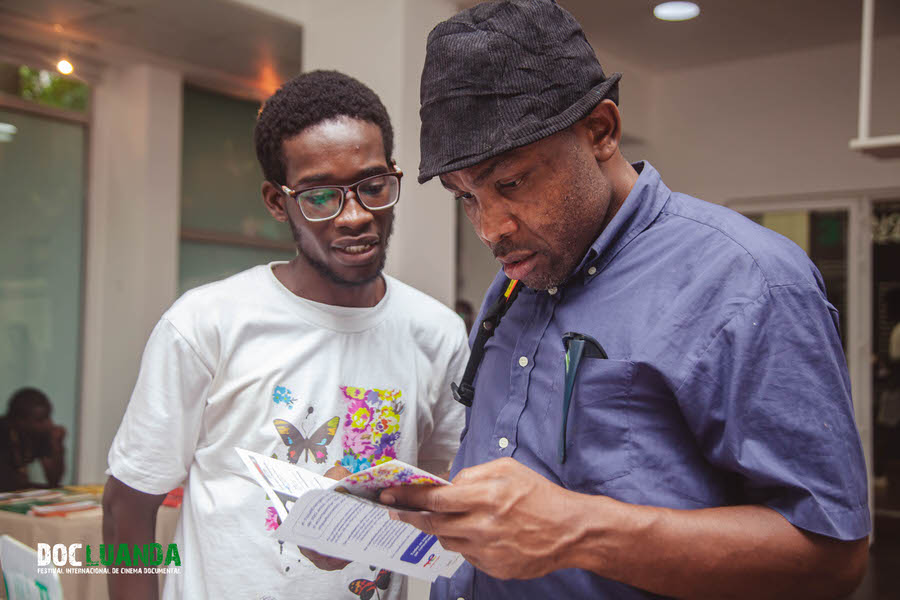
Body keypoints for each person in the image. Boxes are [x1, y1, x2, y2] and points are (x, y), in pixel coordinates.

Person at [383, 1, 871, 599]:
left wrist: (579, 531)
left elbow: (833, 558)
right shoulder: (520, 276)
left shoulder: (748, 282)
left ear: (601, 132)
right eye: (465, 196)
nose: (490, 229)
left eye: (510, 183)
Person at [102, 70, 469, 600]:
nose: (355, 216)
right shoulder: (207, 324)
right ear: (278, 202)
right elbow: (127, 508)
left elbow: (441, 502)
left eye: (373, 187)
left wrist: (362, 520)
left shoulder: (437, 334)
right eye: (320, 196)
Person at [0, 387, 66, 492]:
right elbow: (8, 483)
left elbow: (54, 480)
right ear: (19, 420)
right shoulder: (3, 432)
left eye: (48, 417)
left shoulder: (40, 433)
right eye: (40, 420)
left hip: (15, 492)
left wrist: (57, 445)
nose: (49, 424)